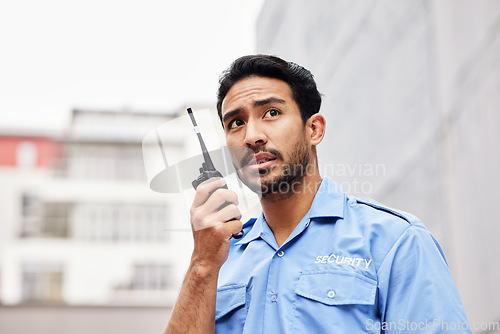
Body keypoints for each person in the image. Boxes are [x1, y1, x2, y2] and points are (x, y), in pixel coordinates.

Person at [164, 55, 471, 333]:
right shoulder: (215, 260)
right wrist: (202, 265)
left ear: (314, 130)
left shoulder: (395, 242)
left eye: (271, 112)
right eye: (236, 123)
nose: (252, 136)